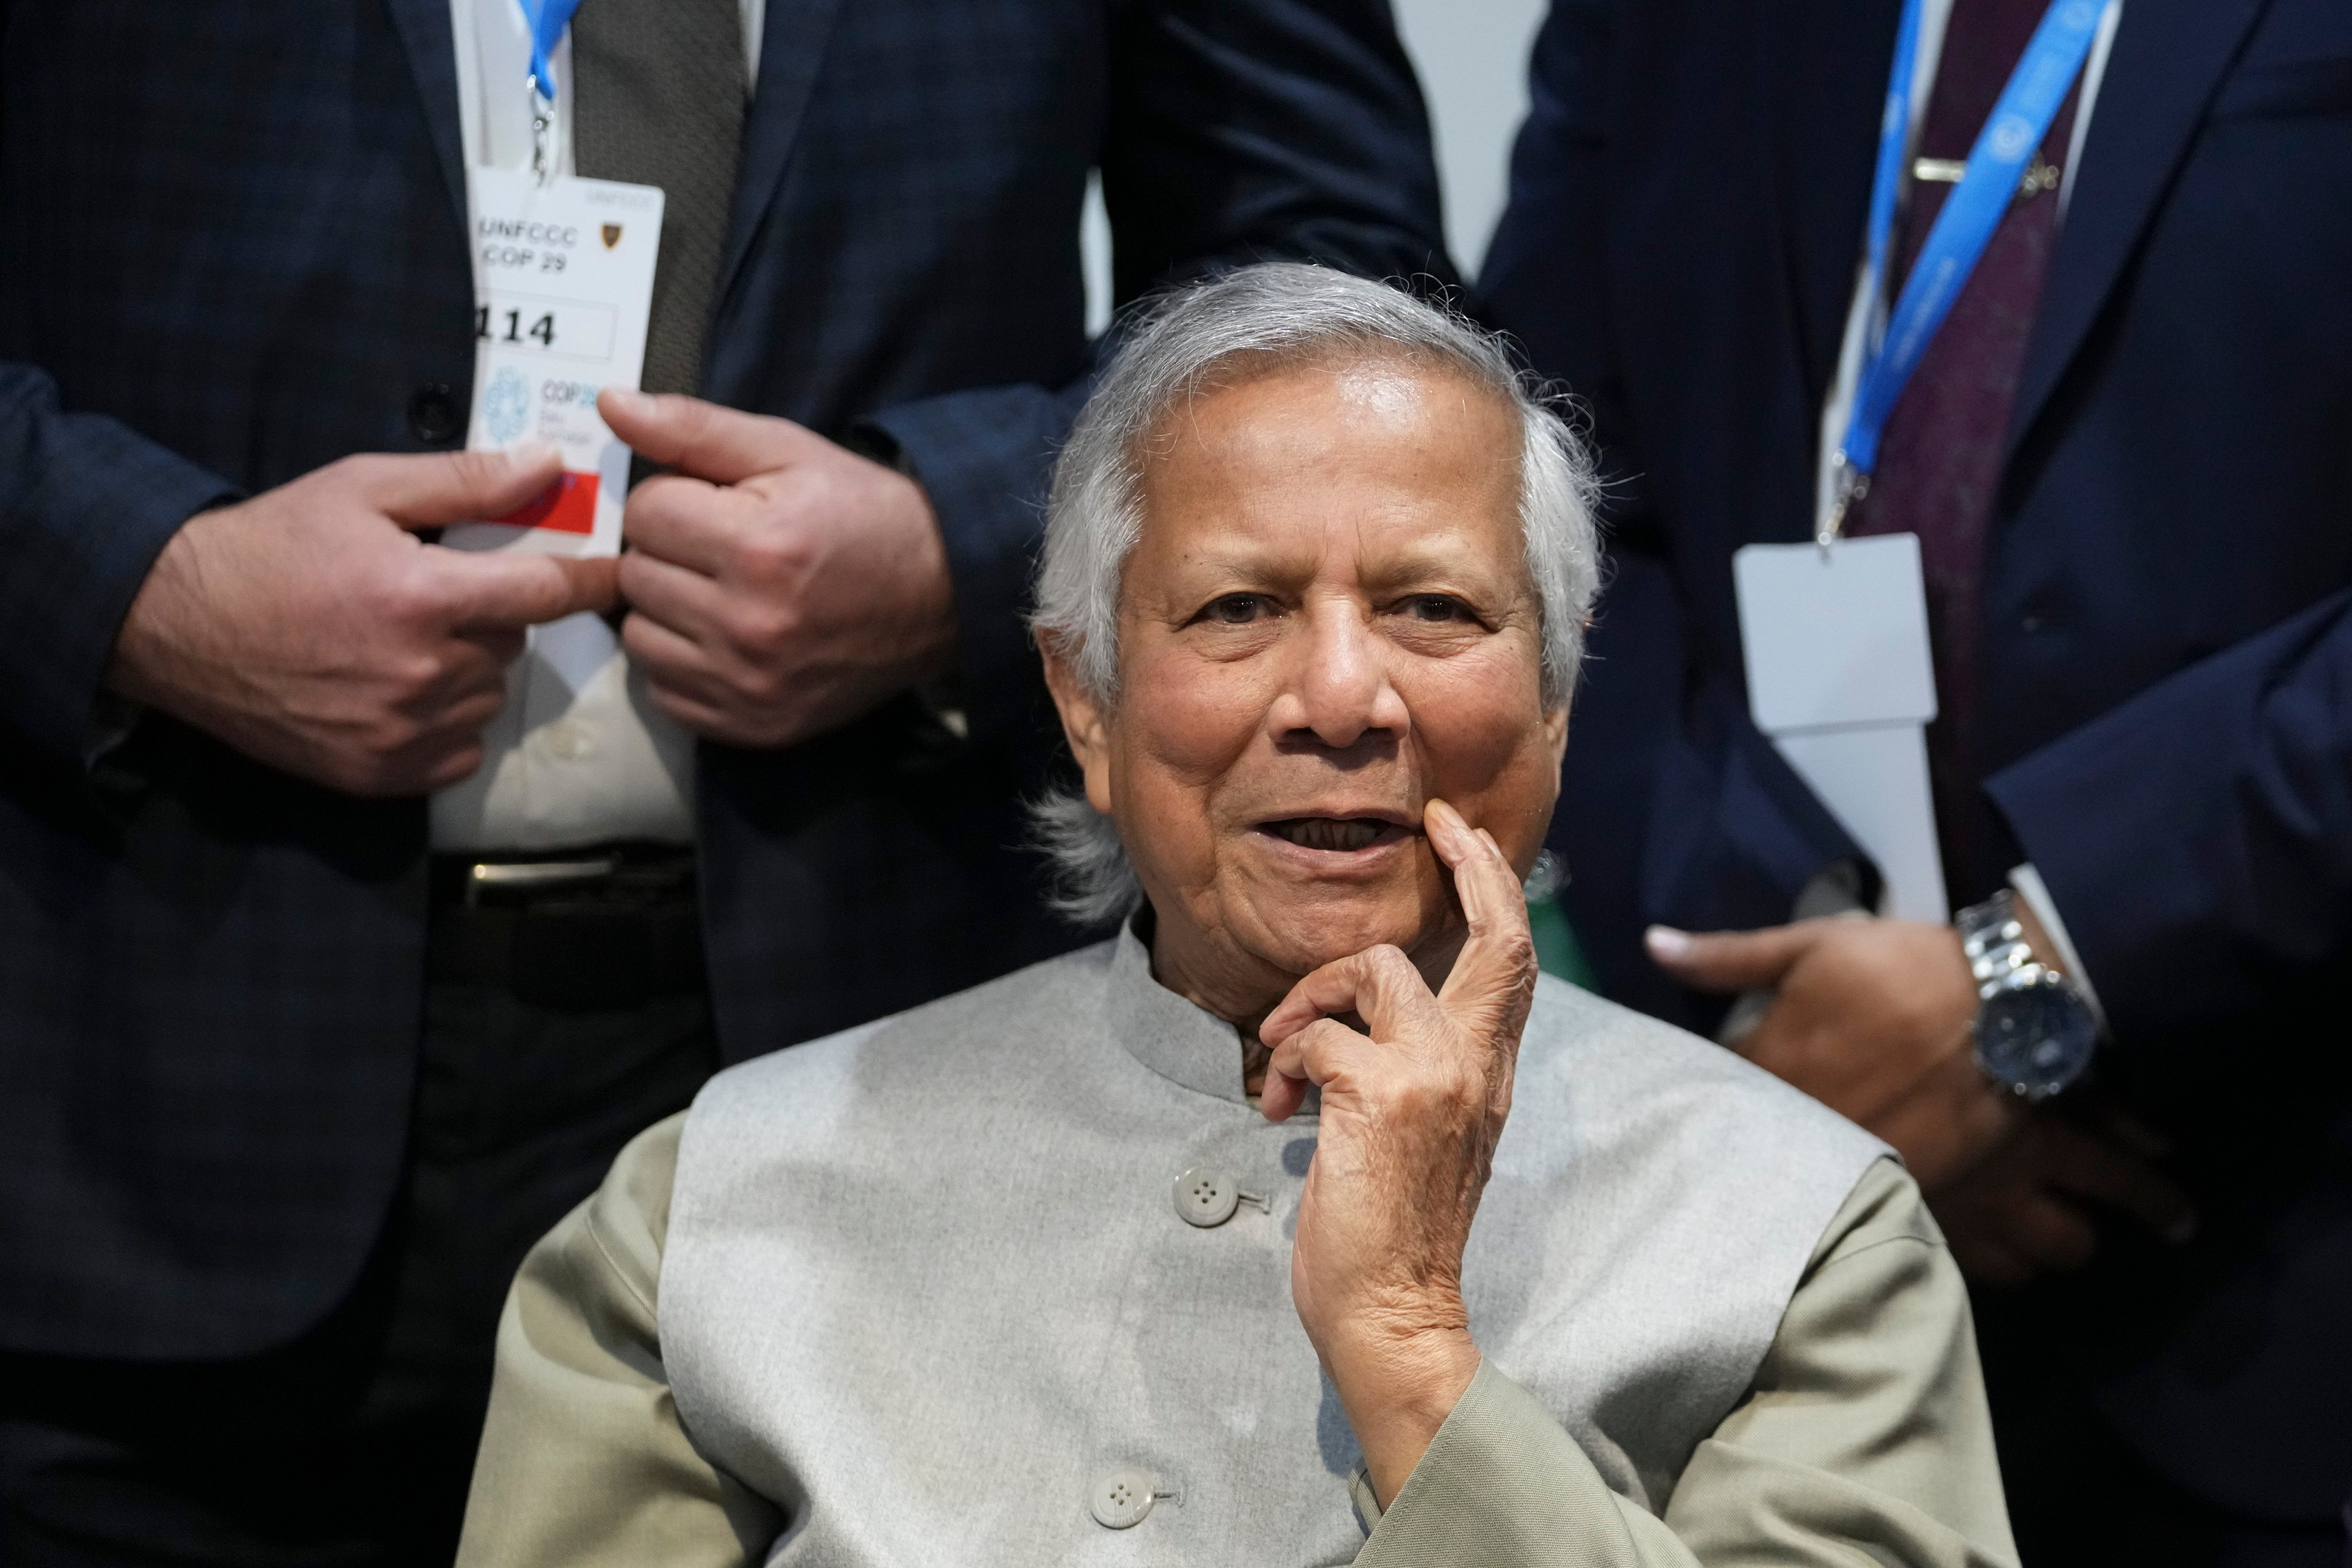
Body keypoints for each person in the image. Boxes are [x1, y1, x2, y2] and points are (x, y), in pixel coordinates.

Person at [0, 5, 1447, 1562]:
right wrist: (147, 584)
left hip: (891, 1040)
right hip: (132, 1060)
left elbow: (1339, 277)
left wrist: (959, 544)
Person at [455, 265, 2015, 1568]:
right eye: (1238, 609)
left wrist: (1413, 1357)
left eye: (1435, 607)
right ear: (1085, 702)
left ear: (1557, 686)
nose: (1341, 698)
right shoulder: (712, 1207)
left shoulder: (1809, 1237)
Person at [1479, 0, 2352, 1561]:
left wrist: (2040, 965)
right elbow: (1536, 482)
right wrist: (1776, 997)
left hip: (2265, 1237)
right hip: (1755, 1236)